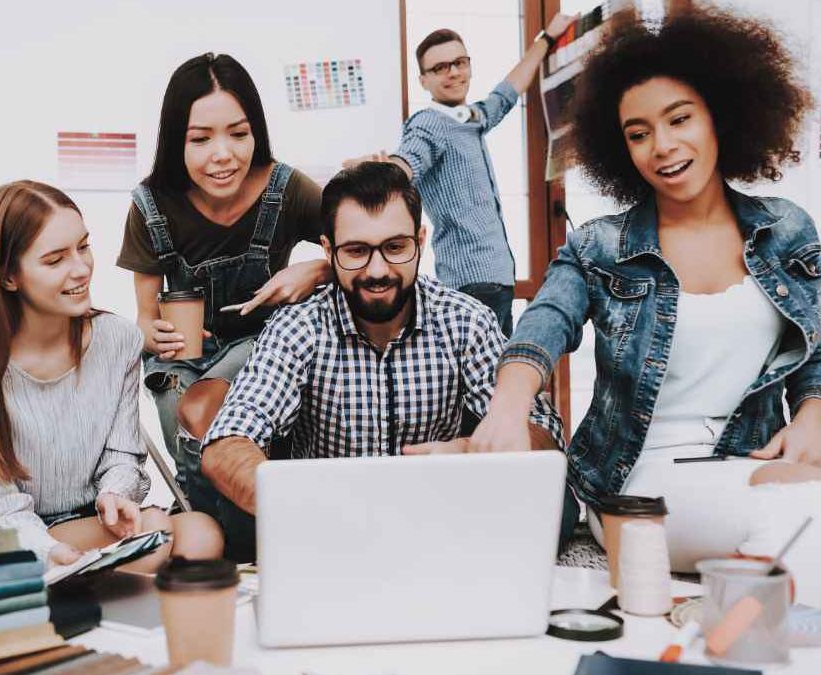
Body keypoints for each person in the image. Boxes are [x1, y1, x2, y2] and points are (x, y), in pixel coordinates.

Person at [473, 7, 821, 630]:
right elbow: (544, 323)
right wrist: (507, 405)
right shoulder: (602, 245)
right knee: (809, 508)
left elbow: (819, 361)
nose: (664, 146)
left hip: (752, 466)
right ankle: (748, 658)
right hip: (637, 482)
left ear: (719, 116)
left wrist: (814, 422)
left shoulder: (785, 230)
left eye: (680, 119)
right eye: (639, 132)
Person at [198, 162, 571, 562]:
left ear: (420, 242)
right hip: (325, 534)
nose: (377, 271)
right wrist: (308, 507)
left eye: (395, 247)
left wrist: (470, 453)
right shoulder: (298, 327)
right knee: (238, 521)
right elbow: (226, 444)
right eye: (357, 251)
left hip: (444, 525)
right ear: (328, 251)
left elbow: (544, 433)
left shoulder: (465, 320)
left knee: (559, 507)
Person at [0, 181, 224, 570]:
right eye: (55, 260)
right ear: (8, 276)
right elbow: (2, 508)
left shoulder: (118, 338)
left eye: (83, 247)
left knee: (202, 532)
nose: (81, 268)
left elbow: (123, 454)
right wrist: (50, 550)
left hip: (95, 520)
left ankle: (100, 593)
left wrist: (115, 495)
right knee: (157, 536)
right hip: (19, 536)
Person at [117, 53, 330, 500]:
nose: (222, 155)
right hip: (186, 355)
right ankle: (209, 528)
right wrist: (153, 334)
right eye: (200, 139)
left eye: (238, 134)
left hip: (264, 346)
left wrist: (318, 268)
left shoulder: (286, 190)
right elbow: (143, 318)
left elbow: (357, 248)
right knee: (181, 410)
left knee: (215, 418)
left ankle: (254, 526)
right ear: (177, 141)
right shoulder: (150, 205)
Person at [345, 14, 576, 337]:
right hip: (472, 283)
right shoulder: (430, 123)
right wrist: (375, 169)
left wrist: (547, 39)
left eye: (459, 62)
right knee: (486, 383)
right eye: (440, 68)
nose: (453, 72)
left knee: (493, 379)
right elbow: (406, 165)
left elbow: (507, 92)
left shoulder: (471, 118)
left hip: (494, 278)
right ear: (423, 80)